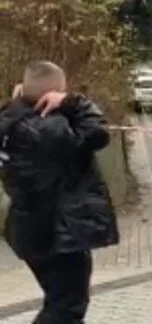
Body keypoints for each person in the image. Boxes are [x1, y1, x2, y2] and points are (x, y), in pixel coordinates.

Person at [0, 61, 119, 323]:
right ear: (50, 96)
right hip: (61, 234)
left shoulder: (9, 120)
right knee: (66, 308)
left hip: (29, 229)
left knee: (60, 301)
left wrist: (22, 99)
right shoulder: (48, 129)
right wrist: (73, 102)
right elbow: (97, 132)